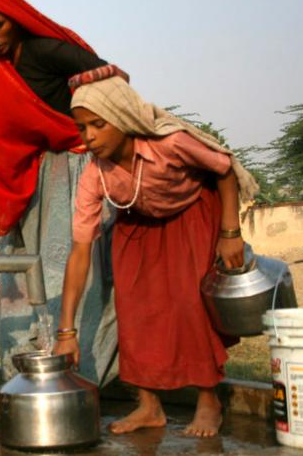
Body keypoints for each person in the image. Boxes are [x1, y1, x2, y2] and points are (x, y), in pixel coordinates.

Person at [53, 75, 258, 437]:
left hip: (192, 212)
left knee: (190, 304)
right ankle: (149, 406)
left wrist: (230, 233)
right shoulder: (94, 175)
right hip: (138, 223)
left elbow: (224, 169)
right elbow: (80, 250)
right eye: (82, 127)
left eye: (99, 125)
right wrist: (65, 330)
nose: (90, 136)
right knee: (133, 308)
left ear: (124, 118)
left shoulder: (170, 143)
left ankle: (209, 402)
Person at [0, 0, 125, 382]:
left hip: (77, 170)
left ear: (15, 16)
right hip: (34, 180)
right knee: (26, 275)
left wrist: (85, 134)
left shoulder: (46, 51)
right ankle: (28, 373)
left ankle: (86, 374)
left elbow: (113, 87)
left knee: (79, 273)